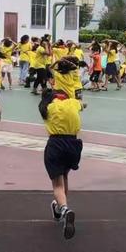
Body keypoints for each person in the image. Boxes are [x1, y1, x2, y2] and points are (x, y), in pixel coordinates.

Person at [39, 89, 83, 240]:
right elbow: (83, 104)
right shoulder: (73, 103)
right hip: (73, 145)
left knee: (57, 185)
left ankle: (64, 209)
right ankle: (58, 208)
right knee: (64, 175)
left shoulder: (47, 108)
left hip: (56, 144)